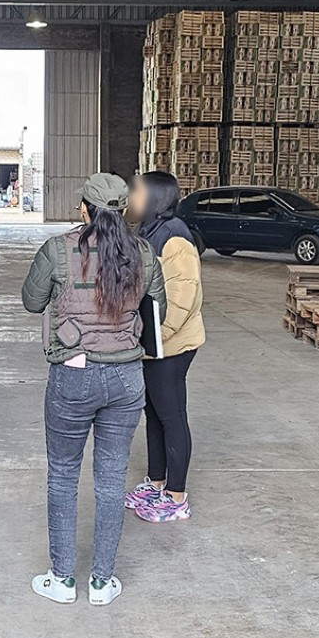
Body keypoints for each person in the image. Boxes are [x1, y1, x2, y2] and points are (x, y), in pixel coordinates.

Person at [22, 172, 166, 607]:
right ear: (123, 210)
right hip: (125, 379)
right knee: (110, 479)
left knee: (64, 474)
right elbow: (157, 308)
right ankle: (102, 582)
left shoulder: (58, 250)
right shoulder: (143, 253)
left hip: (73, 375)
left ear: (84, 208)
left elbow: (31, 301)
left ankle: (63, 580)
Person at [125, 171, 205, 523]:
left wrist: (155, 337)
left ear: (155, 197)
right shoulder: (150, 233)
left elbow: (182, 298)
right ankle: (156, 483)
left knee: (171, 416)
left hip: (172, 346)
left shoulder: (175, 240)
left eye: (137, 191)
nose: (132, 196)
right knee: (154, 414)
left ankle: (176, 496)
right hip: (153, 344)